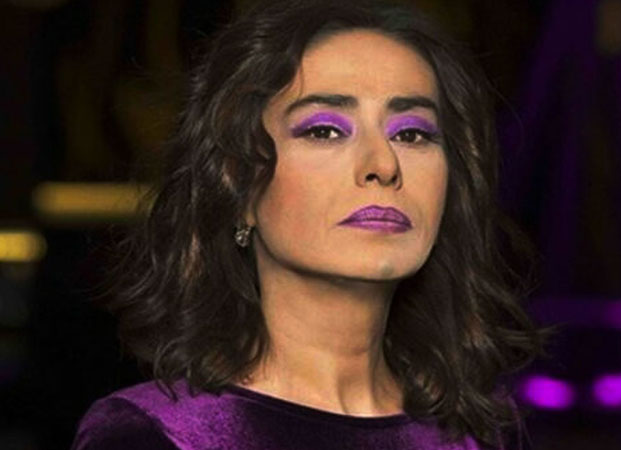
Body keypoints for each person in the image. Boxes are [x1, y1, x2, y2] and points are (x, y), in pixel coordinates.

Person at [71, 0, 541, 448]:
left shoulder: (482, 432)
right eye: (325, 130)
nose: (383, 165)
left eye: (412, 133)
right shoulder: (156, 435)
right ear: (237, 184)